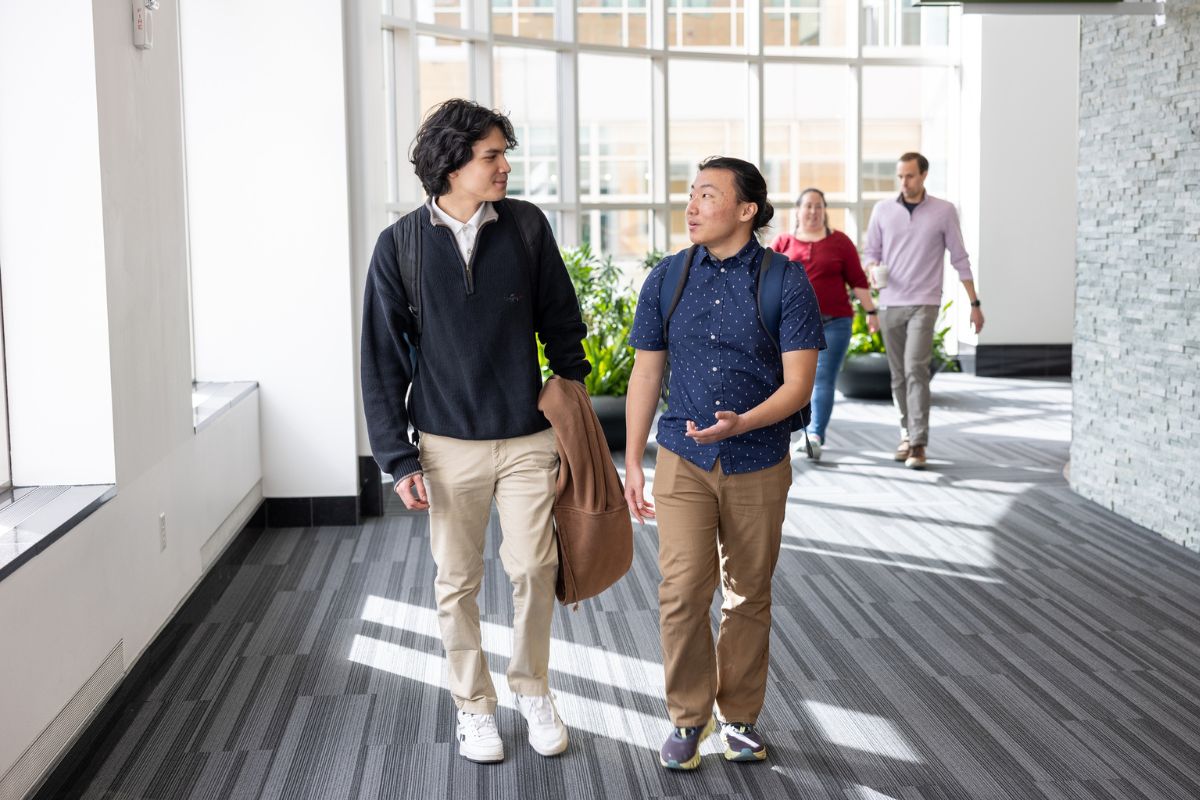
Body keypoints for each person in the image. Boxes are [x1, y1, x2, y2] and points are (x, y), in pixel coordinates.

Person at [360, 99, 590, 764]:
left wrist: (569, 394)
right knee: (456, 580)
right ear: (451, 163)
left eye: (503, 154)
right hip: (443, 445)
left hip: (525, 439)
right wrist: (398, 461)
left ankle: (533, 688)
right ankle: (474, 706)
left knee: (535, 567)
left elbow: (562, 321)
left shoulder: (525, 228)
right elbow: (381, 360)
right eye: (491, 155)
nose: (504, 167)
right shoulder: (399, 246)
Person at [623, 157, 823, 770]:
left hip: (758, 460)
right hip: (683, 458)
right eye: (690, 193)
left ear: (746, 210)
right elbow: (647, 371)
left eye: (707, 195)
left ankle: (738, 717)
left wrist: (744, 423)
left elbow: (799, 388)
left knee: (747, 593)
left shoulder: (786, 281)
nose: (691, 205)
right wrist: (632, 462)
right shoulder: (668, 277)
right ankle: (687, 718)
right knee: (681, 591)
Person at [863, 152, 984, 470]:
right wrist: (874, 268)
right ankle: (906, 434)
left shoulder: (943, 211)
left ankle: (918, 443)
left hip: (924, 302)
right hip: (890, 302)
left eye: (911, 176)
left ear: (924, 175)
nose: (905, 182)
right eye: (901, 176)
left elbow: (960, 257)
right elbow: (871, 252)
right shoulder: (882, 210)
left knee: (916, 370)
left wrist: (975, 304)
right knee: (898, 376)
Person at [771, 187, 879, 461]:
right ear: (798, 210)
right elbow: (765, 281)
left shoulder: (840, 242)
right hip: (792, 325)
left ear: (825, 211)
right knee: (786, 379)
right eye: (808, 206)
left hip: (835, 322)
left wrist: (871, 311)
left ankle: (815, 434)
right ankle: (782, 430)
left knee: (823, 378)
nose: (813, 212)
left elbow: (857, 280)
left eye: (818, 206)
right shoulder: (783, 243)